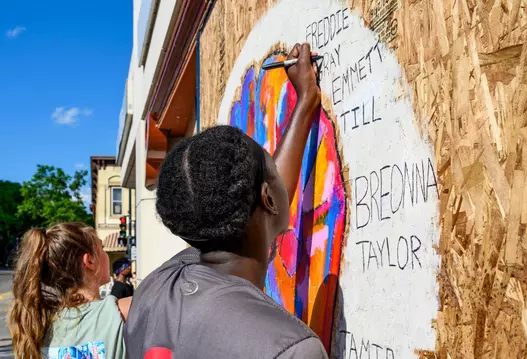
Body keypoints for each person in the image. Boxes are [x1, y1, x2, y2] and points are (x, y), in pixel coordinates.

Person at [125, 43, 328, 358]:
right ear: (267, 200)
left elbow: (253, 203)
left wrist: (305, 103)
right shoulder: (288, 348)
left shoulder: (154, 290)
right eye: (270, 169)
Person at [8, 223, 131, 359]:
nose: (106, 254)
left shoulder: (35, 328)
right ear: (89, 260)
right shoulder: (119, 312)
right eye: (101, 248)